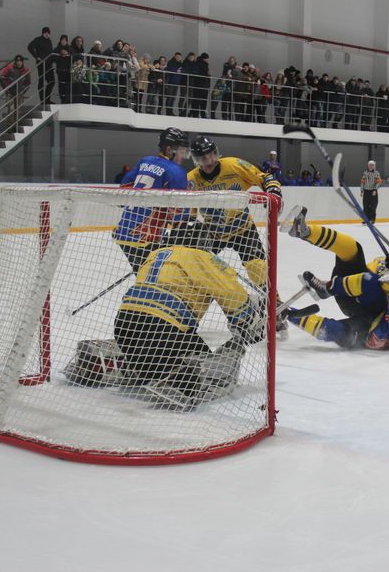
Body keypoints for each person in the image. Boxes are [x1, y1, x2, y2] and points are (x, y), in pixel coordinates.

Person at [75, 224, 265, 411]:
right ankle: (179, 379)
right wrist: (250, 320)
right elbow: (230, 292)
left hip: (124, 325)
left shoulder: (156, 253)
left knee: (145, 350)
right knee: (205, 361)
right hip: (164, 329)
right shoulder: (202, 256)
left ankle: (108, 362)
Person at [281, 208, 389, 354]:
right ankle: (304, 231)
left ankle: (287, 313)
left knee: (338, 332)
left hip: (369, 326)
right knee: (353, 250)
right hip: (359, 293)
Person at [187, 135, 282, 290]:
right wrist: (188, 225)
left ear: (216, 153)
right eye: (203, 158)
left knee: (257, 267)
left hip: (243, 229)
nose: (209, 160)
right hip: (213, 232)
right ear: (196, 160)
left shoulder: (234, 165)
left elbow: (264, 178)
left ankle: (274, 303)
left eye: (211, 154)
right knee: (195, 266)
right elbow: (188, 212)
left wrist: (274, 193)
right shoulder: (191, 179)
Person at [113, 127, 191, 273]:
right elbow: (178, 218)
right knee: (161, 280)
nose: (184, 157)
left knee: (144, 276)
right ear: (169, 150)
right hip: (148, 239)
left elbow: (123, 191)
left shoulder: (145, 161)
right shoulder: (177, 171)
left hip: (123, 233)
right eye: (181, 151)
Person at [0, 55, 31, 132]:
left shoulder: (26, 70)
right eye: (17, 61)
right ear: (15, 61)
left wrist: (23, 90)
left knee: (18, 110)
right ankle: (10, 127)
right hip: (10, 93)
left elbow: (28, 82)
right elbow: (2, 78)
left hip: (19, 93)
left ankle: (15, 126)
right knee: (11, 109)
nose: (19, 62)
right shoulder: (9, 68)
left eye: (20, 61)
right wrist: (7, 89)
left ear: (22, 62)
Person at [27, 26, 54, 104]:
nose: (46, 34)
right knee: (42, 81)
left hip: (49, 64)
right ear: (42, 33)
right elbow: (29, 47)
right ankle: (43, 100)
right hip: (41, 64)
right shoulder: (38, 40)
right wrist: (37, 57)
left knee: (51, 81)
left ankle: (47, 99)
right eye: (45, 33)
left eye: (48, 33)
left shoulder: (49, 41)